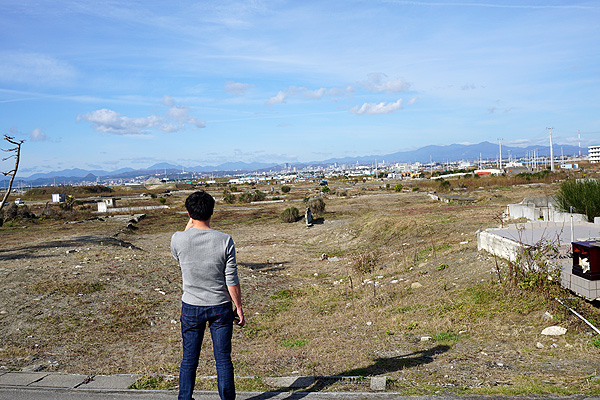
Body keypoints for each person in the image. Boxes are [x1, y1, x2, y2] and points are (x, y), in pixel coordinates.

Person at [171, 190, 245, 400]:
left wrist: (191, 222)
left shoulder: (178, 239)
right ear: (212, 212)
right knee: (223, 360)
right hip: (220, 306)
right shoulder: (225, 240)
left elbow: (179, 253)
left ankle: (184, 398)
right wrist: (238, 307)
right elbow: (231, 280)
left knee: (189, 360)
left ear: (188, 214)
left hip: (191, 307)